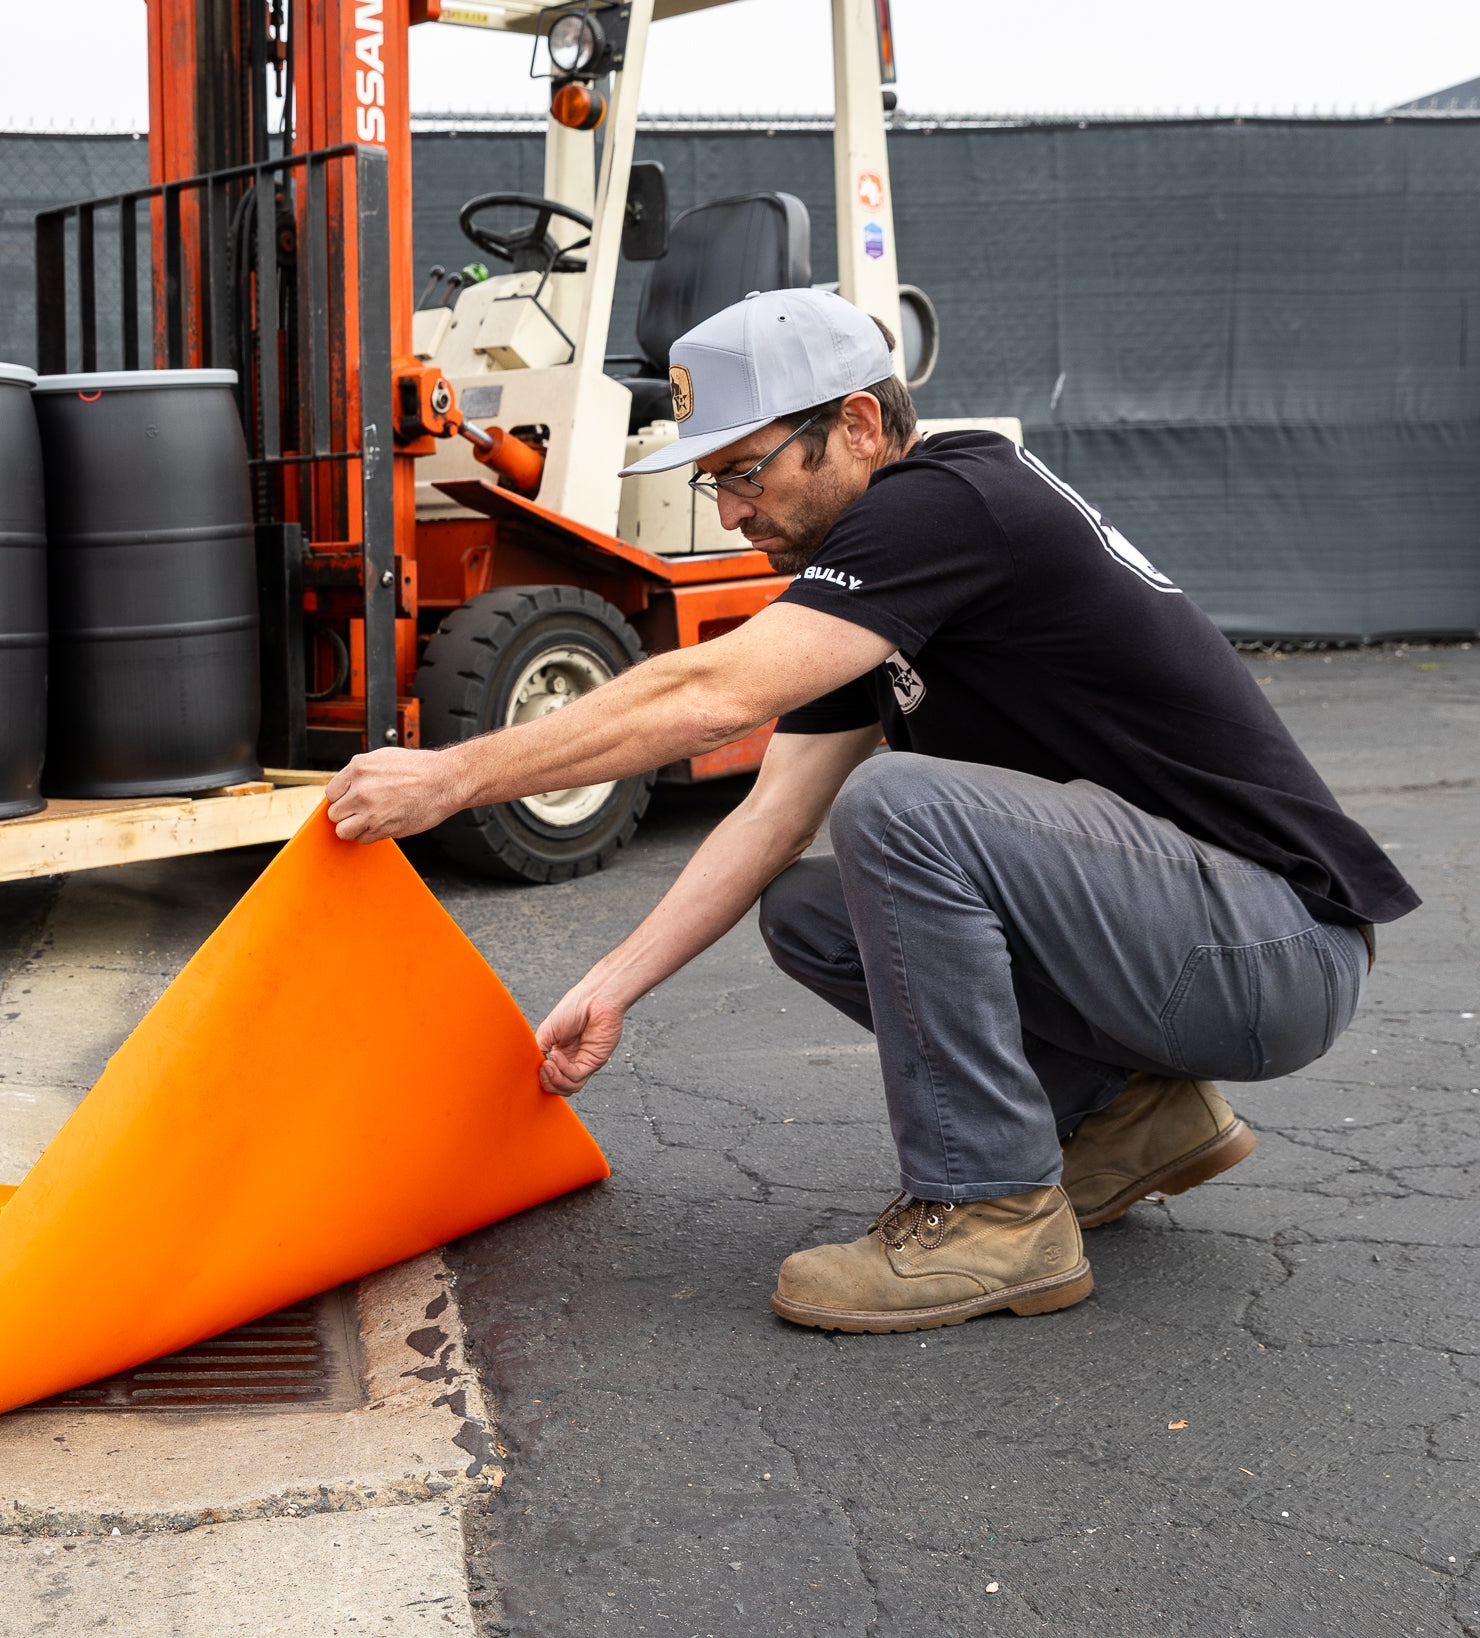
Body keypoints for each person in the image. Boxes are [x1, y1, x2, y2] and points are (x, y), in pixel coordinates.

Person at [324, 287, 1417, 1335]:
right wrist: (607, 990)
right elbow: (768, 817)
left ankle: (991, 1212)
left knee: (901, 804)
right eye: (714, 483)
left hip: (1271, 947)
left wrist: (453, 778)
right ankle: (1128, 1112)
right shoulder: (886, 569)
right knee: (811, 907)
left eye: (744, 471)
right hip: (1193, 947)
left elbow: (714, 695)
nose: (733, 508)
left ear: (854, 423)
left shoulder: (945, 503)